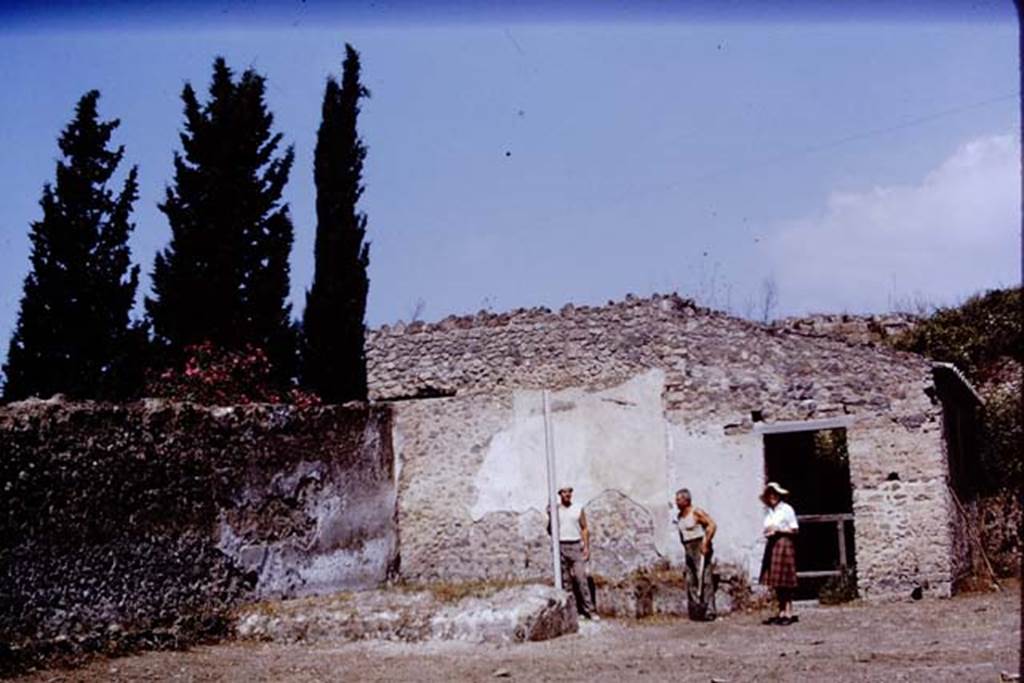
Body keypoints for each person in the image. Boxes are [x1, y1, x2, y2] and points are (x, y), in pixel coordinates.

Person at [548, 485, 598, 620]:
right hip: (561, 545)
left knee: (581, 579)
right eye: (564, 492)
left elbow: (585, 528)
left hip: (575, 545)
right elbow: (550, 530)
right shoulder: (555, 510)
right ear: (560, 494)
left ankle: (590, 610)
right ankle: (574, 612)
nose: (567, 494)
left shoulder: (578, 508)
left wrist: (586, 547)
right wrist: (549, 515)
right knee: (566, 582)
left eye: (569, 491)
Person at [759, 482, 800, 625]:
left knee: (786, 581)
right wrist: (769, 532)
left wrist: (779, 531)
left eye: (774, 494)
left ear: (779, 495)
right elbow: (767, 527)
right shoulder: (769, 511)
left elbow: (795, 529)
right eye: (770, 495)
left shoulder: (787, 509)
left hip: (784, 543)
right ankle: (781, 610)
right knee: (777, 582)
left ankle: (789, 611)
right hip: (773, 544)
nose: (772, 497)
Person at [674, 488, 718, 621]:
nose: (676, 502)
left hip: (699, 545)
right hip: (688, 548)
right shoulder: (680, 516)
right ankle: (696, 609)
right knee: (690, 579)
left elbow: (712, 525)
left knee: (705, 579)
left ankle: (709, 611)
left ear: (686, 500)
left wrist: (706, 543)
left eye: (678, 499)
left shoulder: (696, 512)